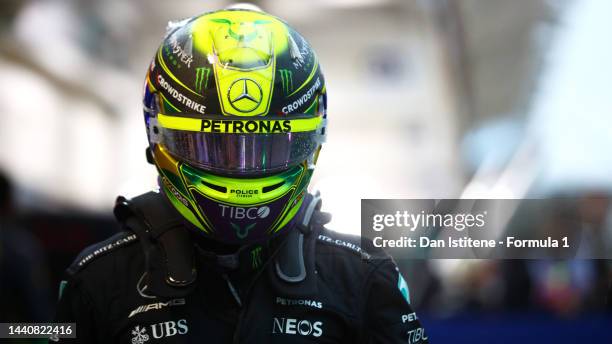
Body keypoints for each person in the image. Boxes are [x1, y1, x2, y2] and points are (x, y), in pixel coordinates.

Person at [53, 6, 428, 343]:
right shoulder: (99, 280)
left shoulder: (361, 277)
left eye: (271, 146)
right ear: (157, 134)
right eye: (214, 147)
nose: (243, 170)